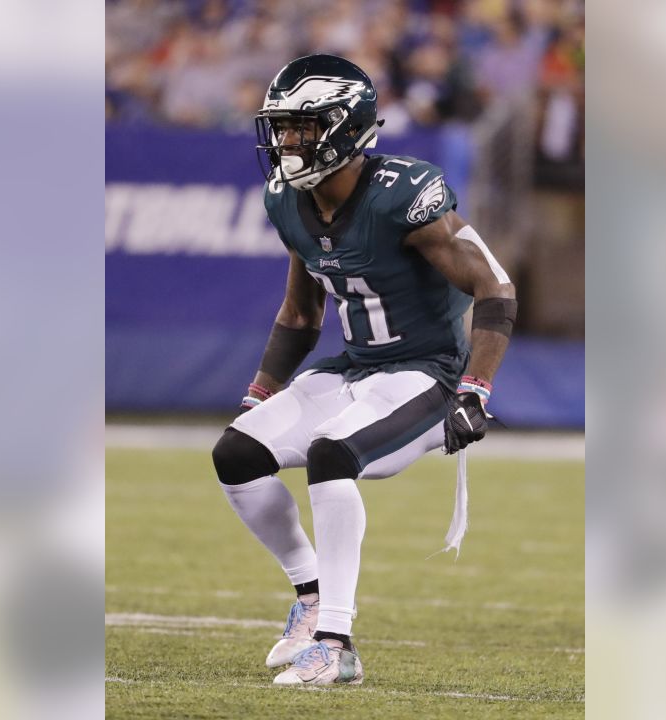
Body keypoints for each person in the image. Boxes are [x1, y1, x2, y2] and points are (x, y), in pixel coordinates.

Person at [210, 54, 517, 687]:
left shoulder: (404, 194)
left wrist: (475, 389)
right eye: (283, 128)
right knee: (236, 454)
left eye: (303, 127)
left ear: (347, 129)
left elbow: (496, 288)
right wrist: (259, 392)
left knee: (331, 453)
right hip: (355, 366)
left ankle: (336, 643)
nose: (287, 141)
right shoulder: (287, 201)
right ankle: (311, 593)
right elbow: (301, 312)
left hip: (427, 374)